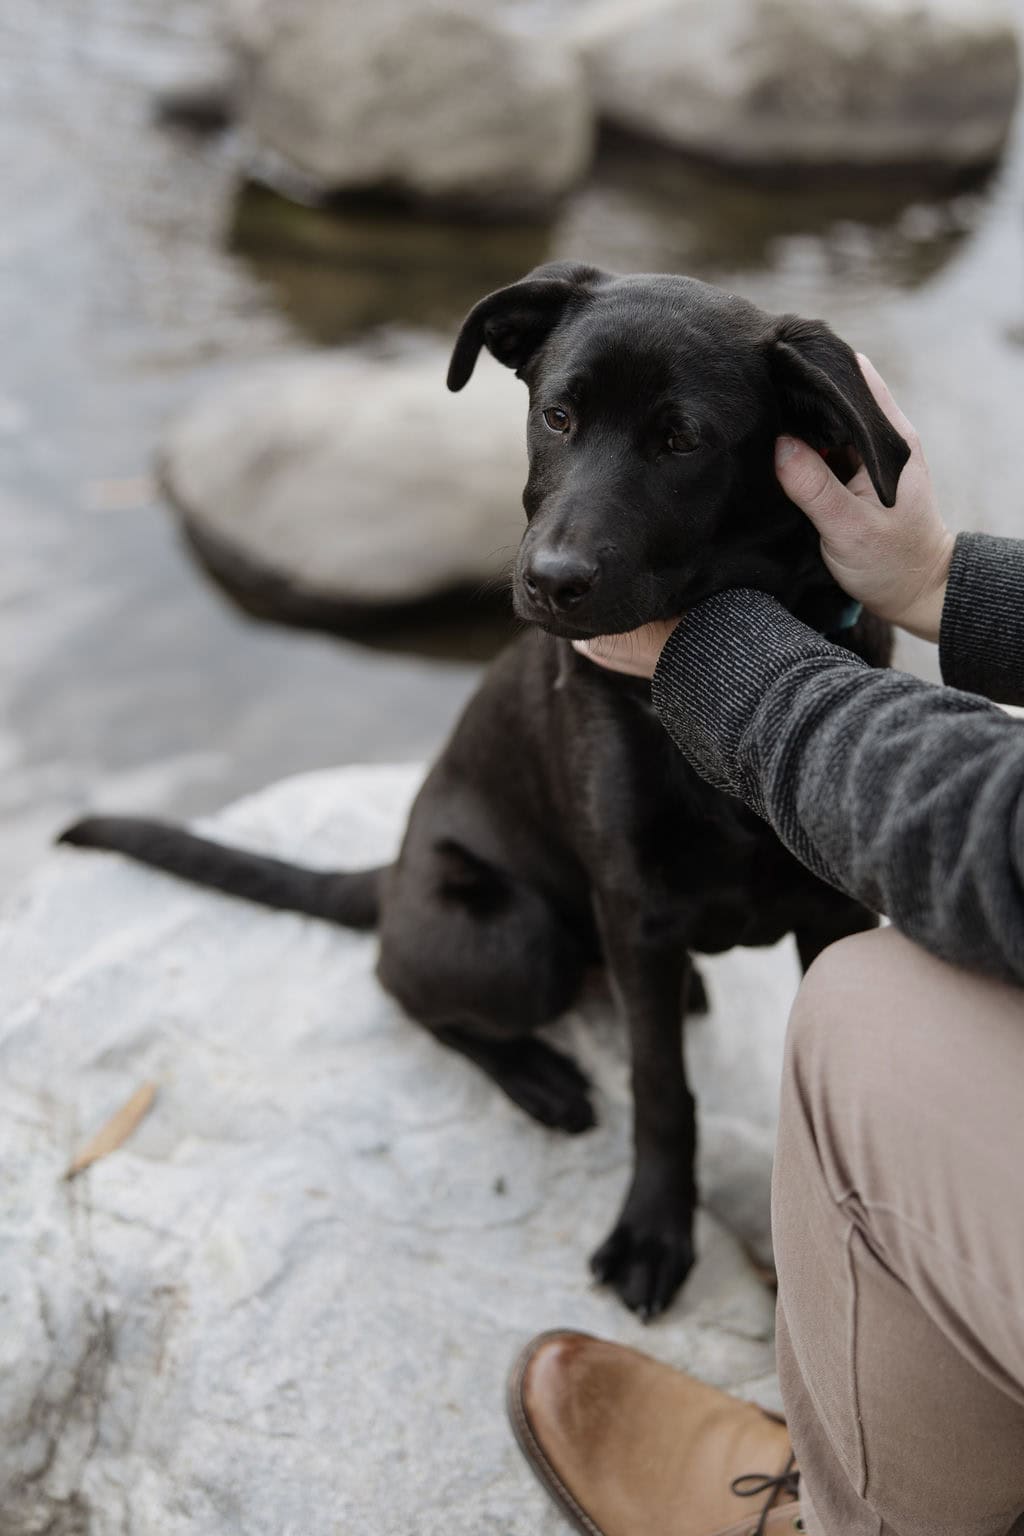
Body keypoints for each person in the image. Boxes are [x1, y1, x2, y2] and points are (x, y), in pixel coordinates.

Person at [506, 359, 1024, 1536]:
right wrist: (943, 579)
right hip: (501, 888)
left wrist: (736, 672)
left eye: (677, 443)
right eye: (561, 420)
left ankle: (858, 1516)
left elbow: (999, 849)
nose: (561, 536)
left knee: (862, 995)